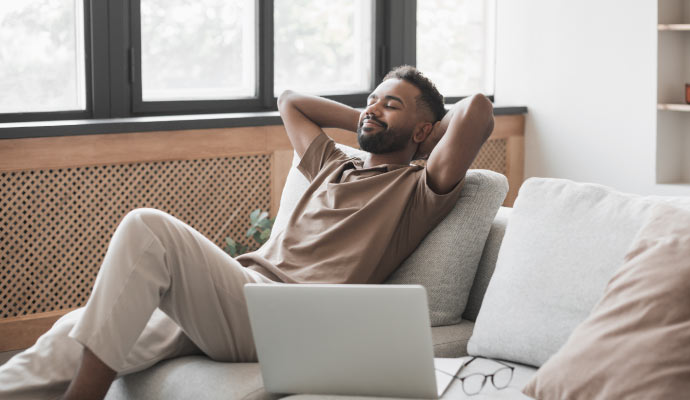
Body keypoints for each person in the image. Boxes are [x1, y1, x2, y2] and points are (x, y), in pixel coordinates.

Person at [0, 65, 494, 400]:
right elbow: (290, 100)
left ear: (426, 132)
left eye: (392, 105)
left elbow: (476, 110)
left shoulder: (418, 188)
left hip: (283, 314)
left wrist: (419, 132)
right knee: (72, 332)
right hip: (239, 291)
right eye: (371, 100)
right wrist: (369, 119)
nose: (372, 108)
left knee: (147, 227)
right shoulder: (333, 165)